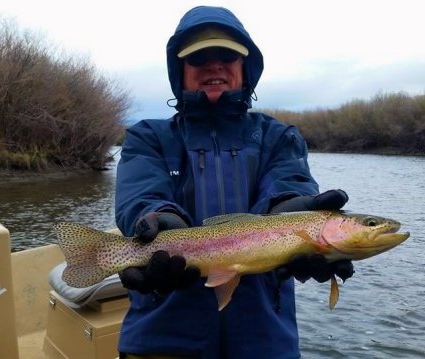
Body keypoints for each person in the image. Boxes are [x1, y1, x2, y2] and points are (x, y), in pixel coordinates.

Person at [115, 6, 354, 359]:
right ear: (179, 71)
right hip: (160, 340)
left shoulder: (278, 137)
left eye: (226, 55)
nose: (214, 65)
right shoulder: (147, 137)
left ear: (246, 67)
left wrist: (289, 212)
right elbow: (141, 199)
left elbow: (289, 187)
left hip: (265, 344)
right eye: (198, 57)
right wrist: (160, 220)